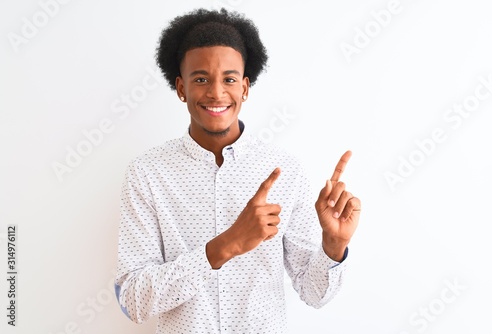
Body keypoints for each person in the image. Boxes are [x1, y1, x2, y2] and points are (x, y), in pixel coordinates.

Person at [114, 7, 361, 334]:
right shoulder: (147, 173)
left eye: (229, 79)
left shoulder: (285, 170)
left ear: (245, 88)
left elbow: (315, 294)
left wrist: (333, 245)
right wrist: (226, 245)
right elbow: (132, 299)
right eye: (200, 79)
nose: (216, 93)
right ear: (181, 87)